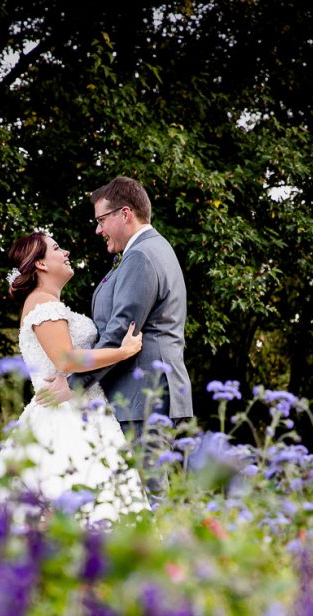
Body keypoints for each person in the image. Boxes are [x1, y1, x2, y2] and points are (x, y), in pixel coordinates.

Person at [0, 230, 150, 527]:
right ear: (40, 264)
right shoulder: (43, 305)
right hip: (66, 418)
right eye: (57, 248)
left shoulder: (47, 304)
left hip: (81, 408)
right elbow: (66, 359)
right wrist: (123, 351)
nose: (65, 253)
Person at [35, 175, 193, 500]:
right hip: (149, 397)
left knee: (149, 501)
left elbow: (122, 332)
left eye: (101, 220)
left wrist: (74, 382)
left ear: (125, 214)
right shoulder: (148, 252)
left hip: (143, 399)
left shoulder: (142, 257)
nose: (97, 230)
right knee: (149, 501)